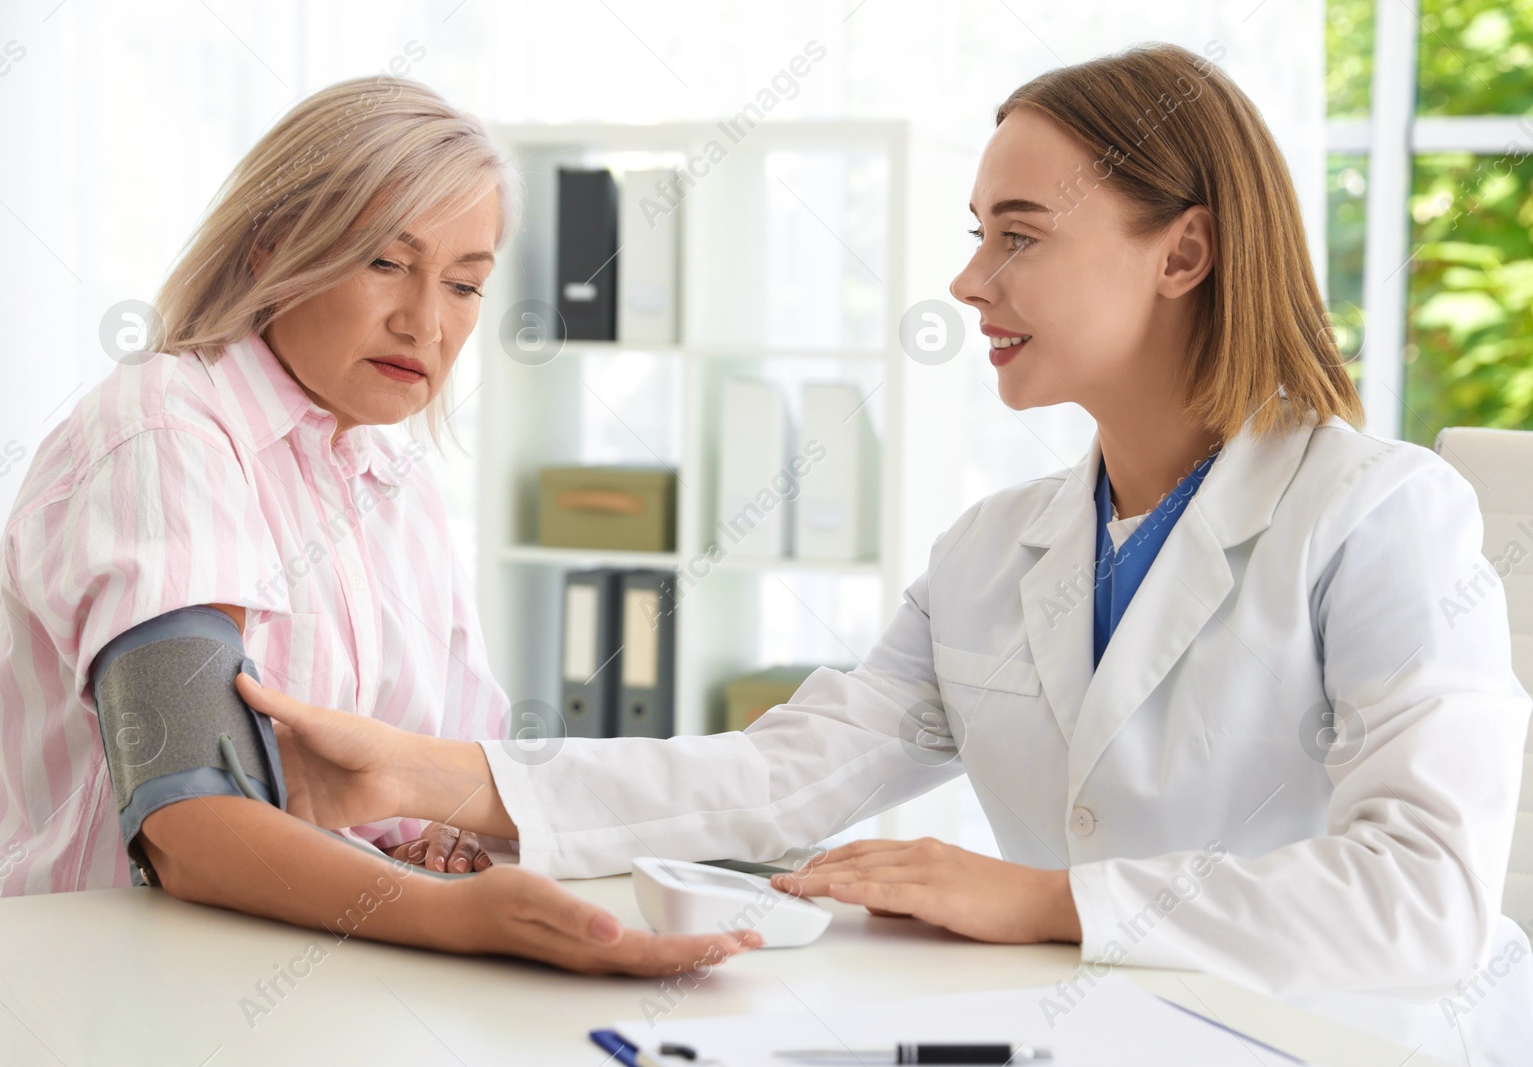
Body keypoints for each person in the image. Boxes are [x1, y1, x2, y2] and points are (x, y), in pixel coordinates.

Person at [235, 41, 1532, 1030]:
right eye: (978, 237)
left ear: (1183, 252)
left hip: (1345, 1040)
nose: (970, 282)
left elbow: (1421, 897)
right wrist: (418, 773)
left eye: (1018, 237)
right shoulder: (992, 549)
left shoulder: (1382, 516)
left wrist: (1044, 896)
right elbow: (776, 774)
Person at [0, 75, 759, 976]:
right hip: (66, 982)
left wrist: (441, 842)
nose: (425, 322)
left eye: (464, 285)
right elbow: (190, 820)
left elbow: (459, 776)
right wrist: (456, 915)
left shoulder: (392, 482)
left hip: (294, 979)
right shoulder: (165, 431)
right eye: (384, 263)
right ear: (271, 244)